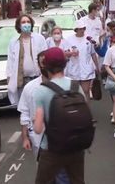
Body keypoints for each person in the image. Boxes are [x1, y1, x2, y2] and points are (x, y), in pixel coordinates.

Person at [33, 47, 88, 184]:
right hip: (76, 147)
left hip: (51, 148)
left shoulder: (41, 90)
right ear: (65, 64)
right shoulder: (76, 86)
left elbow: (38, 129)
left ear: (46, 67)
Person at [17, 51, 70, 184]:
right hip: (41, 144)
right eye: (42, 64)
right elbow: (24, 113)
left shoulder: (70, 85)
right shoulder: (31, 88)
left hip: (66, 143)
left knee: (63, 177)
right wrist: (25, 137)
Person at [6, 15, 47, 105]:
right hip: (22, 80)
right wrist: (9, 77)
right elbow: (10, 61)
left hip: (37, 78)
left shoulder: (39, 39)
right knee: (24, 107)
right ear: (19, 26)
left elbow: (45, 57)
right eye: (23, 22)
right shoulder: (14, 42)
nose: (26, 24)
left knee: (38, 105)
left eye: (28, 22)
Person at [65, 20, 99, 103]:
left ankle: (86, 111)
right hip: (73, 68)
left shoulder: (89, 39)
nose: (82, 30)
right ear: (76, 29)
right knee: (74, 92)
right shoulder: (69, 39)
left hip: (86, 69)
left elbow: (93, 54)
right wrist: (71, 53)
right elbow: (66, 53)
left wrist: (97, 67)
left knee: (86, 91)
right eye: (80, 29)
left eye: (84, 28)